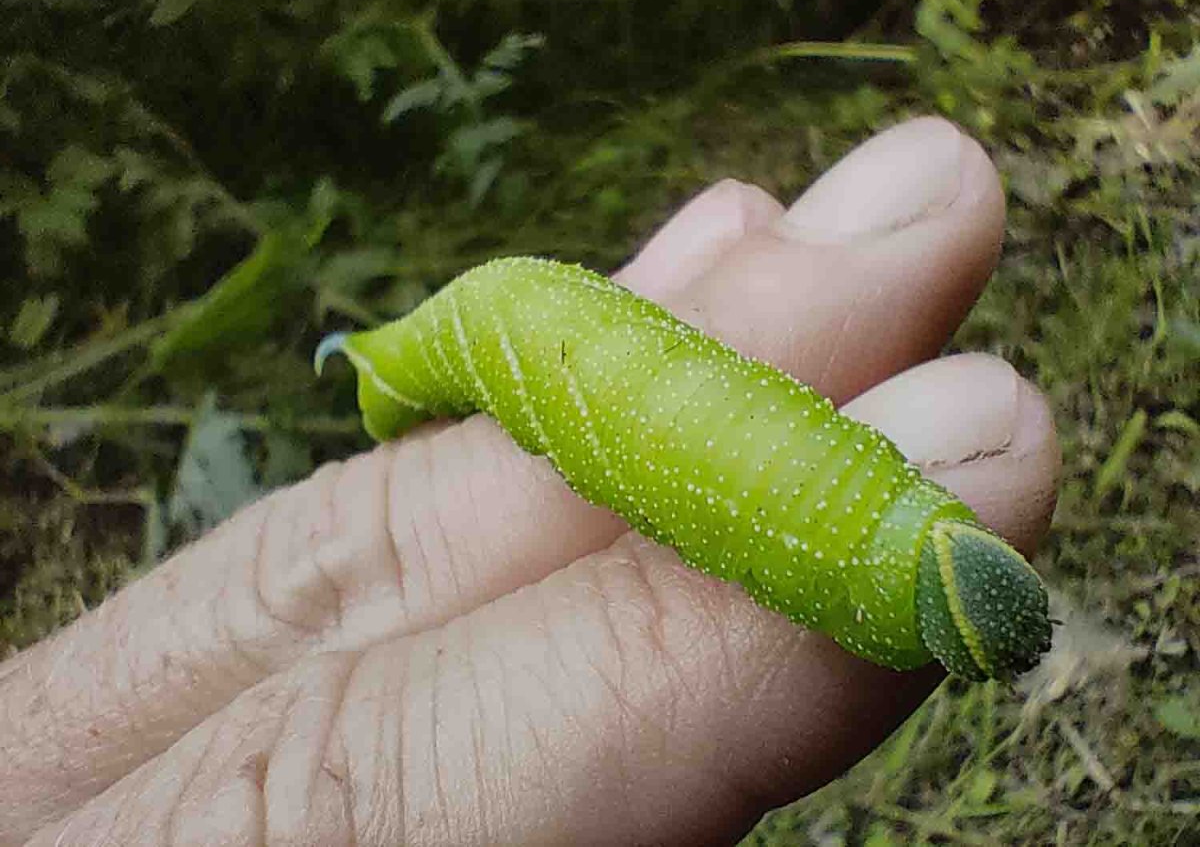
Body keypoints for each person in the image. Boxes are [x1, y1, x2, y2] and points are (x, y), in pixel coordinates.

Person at [0, 117, 1059, 846]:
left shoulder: (881, 532)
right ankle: (382, 368)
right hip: (496, 329)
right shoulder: (878, 535)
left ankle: (380, 362)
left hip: (521, 322)